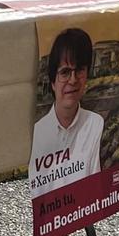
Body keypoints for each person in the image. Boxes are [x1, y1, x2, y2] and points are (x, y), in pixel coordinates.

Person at [29, 27, 104, 199]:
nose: (73, 80)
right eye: (65, 72)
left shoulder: (95, 123)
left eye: (79, 70)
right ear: (53, 82)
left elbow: (94, 181)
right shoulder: (37, 132)